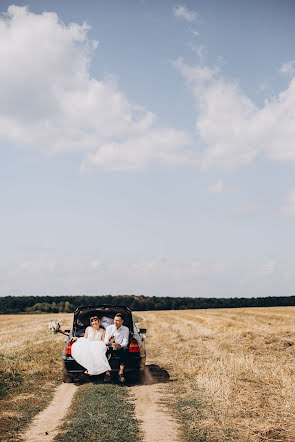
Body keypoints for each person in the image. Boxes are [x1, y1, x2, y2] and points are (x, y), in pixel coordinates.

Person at [104, 313, 129, 383]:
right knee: (103, 349)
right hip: (110, 347)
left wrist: (119, 345)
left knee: (125, 349)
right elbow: (105, 341)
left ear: (122, 321)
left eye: (117, 321)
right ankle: (107, 373)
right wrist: (109, 339)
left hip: (119, 348)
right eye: (114, 320)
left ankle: (120, 373)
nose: (115, 322)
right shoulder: (109, 328)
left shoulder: (125, 329)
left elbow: (125, 342)